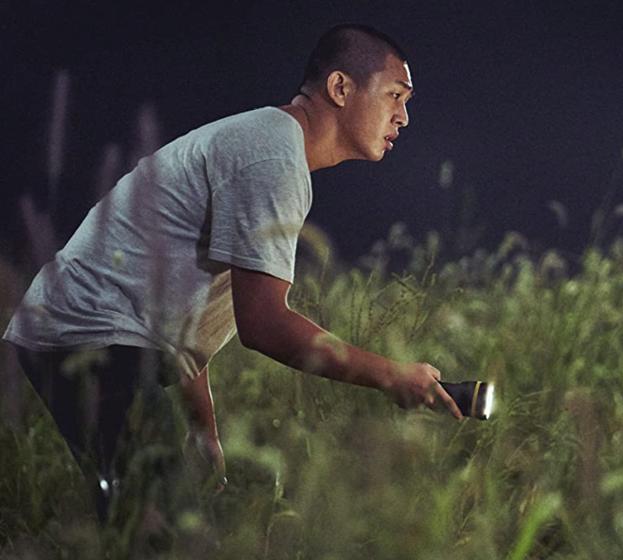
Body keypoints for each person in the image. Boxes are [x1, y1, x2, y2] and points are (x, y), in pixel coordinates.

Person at [3, 23, 462, 529]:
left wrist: (204, 432)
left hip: (90, 338)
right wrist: (393, 375)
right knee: (163, 533)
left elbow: (178, 310)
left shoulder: (268, 146)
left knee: (143, 523)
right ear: (339, 87)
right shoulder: (273, 156)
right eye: (395, 95)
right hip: (90, 340)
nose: (403, 117)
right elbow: (264, 325)